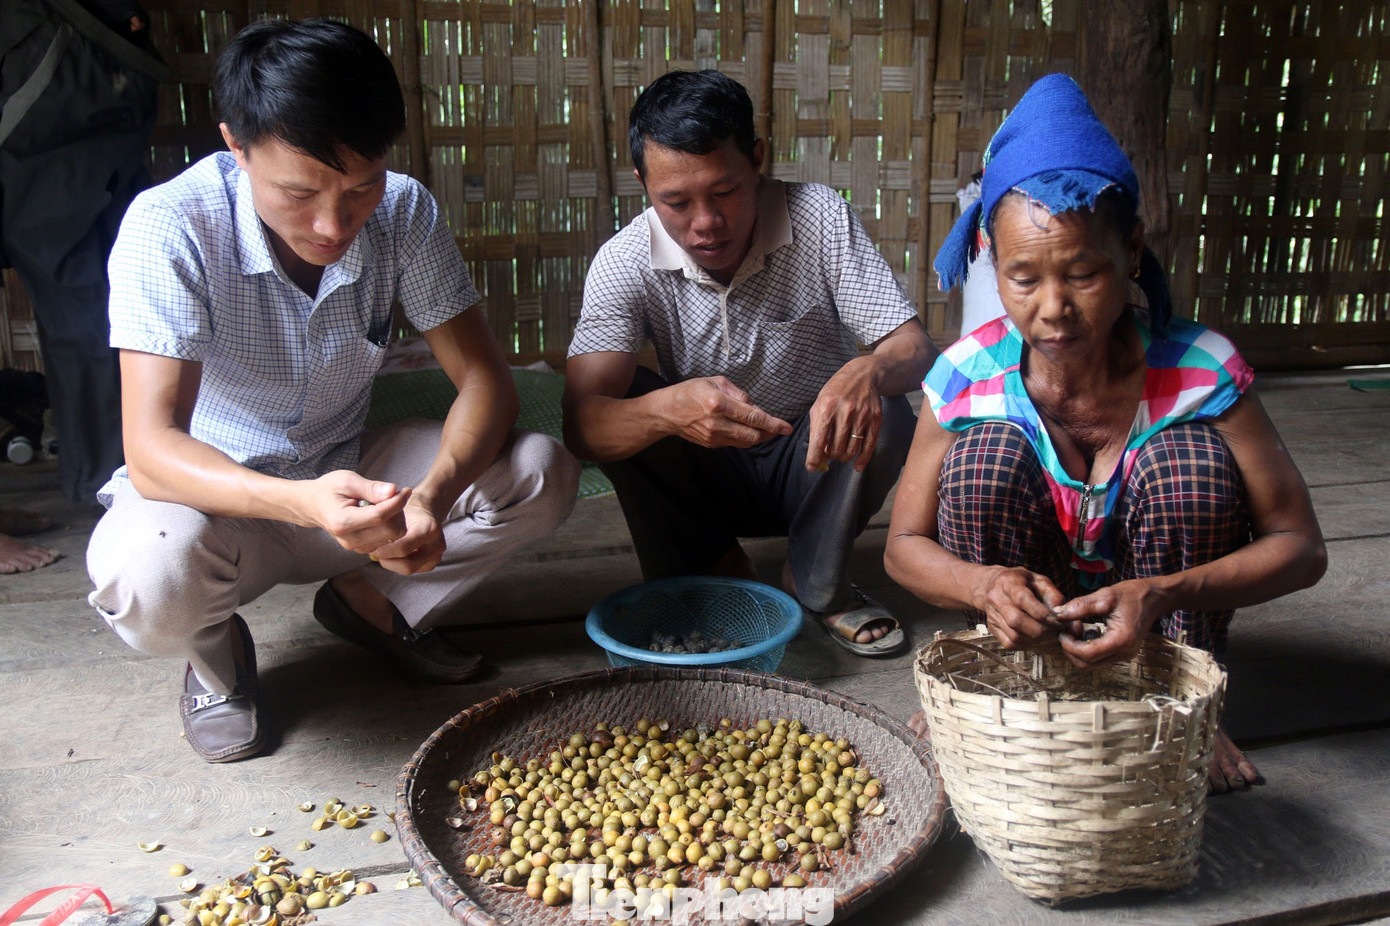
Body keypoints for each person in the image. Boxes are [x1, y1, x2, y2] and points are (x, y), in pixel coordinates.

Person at [86, 19, 580, 763]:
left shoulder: (404, 211)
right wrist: (302, 501)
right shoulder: (171, 228)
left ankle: (371, 606)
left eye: (360, 186)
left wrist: (432, 497)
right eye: (298, 192)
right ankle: (216, 665)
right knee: (148, 573)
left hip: (351, 477)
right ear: (235, 145)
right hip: (220, 506)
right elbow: (152, 451)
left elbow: (485, 380)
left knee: (541, 470)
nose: (332, 222)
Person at [884, 74, 1326, 792]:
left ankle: (1179, 706)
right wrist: (982, 584)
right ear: (993, 263)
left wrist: (1163, 591)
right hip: (1027, 622)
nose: (1053, 309)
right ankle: (994, 681)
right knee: (985, 460)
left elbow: (1301, 548)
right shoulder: (967, 377)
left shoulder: (1202, 370)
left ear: (1132, 253)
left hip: (1158, 622)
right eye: (1023, 279)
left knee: (1188, 467)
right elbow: (904, 549)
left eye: (1084, 272)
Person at [562, 70, 934, 657]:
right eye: (675, 202)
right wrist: (664, 412)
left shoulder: (819, 217)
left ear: (757, 158)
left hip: (812, 462)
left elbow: (913, 346)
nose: (705, 222)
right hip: (707, 472)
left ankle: (816, 582)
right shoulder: (624, 261)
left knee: (887, 407)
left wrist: (865, 371)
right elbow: (581, 426)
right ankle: (718, 570)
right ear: (643, 182)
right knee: (629, 401)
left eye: (725, 191)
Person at [0, 0, 165, 505]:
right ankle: (105, 489)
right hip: (49, 142)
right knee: (87, 326)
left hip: (95, 128)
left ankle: (128, 479)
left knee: (135, 317)